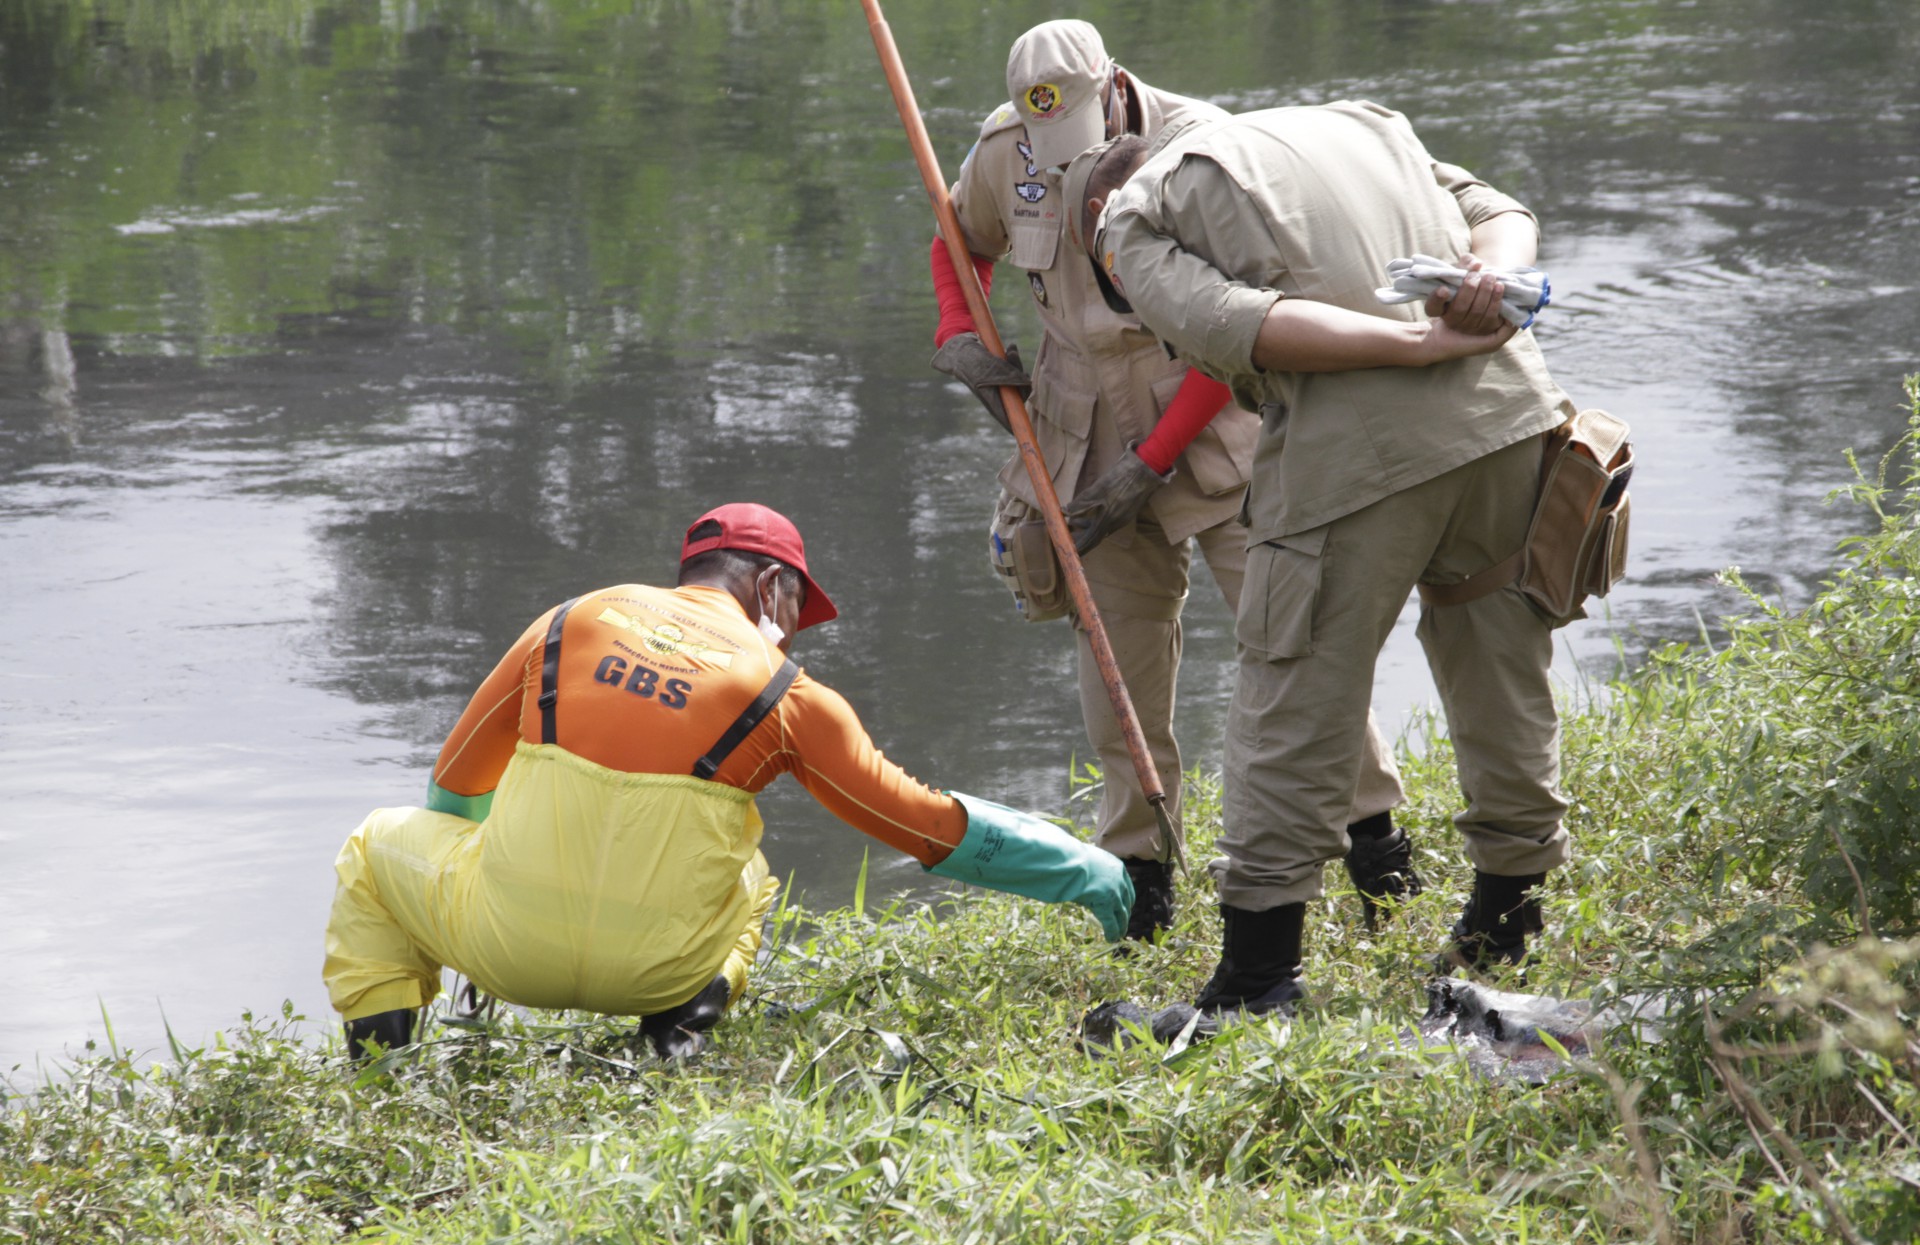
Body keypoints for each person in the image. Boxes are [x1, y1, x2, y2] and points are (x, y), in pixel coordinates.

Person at [1070, 102, 1579, 1014]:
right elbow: (1503, 215)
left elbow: (1248, 324)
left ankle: (1259, 979)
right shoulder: (1364, 121)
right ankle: (1509, 921)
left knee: (1290, 691)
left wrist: (1423, 342)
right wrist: (1483, 286)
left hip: (1361, 458)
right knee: (1503, 663)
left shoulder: (1129, 221)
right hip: (1511, 414)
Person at [321, 503, 1133, 1060]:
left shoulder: (570, 621)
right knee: (751, 878)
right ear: (771, 588)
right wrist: (1093, 874)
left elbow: (455, 790)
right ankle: (674, 1041)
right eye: (794, 610)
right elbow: (927, 828)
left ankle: (380, 1087)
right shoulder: (788, 696)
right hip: (660, 969)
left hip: (503, 950)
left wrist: (481, 909)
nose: (789, 631)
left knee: (373, 847)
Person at [929, 19, 1413, 942]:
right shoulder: (1004, 150)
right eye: (1048, 143)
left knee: (1291, 643)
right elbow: (956, 242)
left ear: (1115, 85)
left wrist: (1151, 465)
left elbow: (1241, 325)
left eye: (1081, 134)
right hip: (1077, 429)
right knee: (1117, 663)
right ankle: (1140, 878)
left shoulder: (1206, 151)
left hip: (1219, 414)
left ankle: (1377, 847)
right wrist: (961, 329)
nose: (1066, 162)